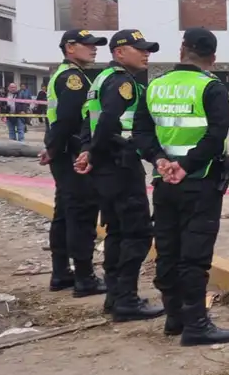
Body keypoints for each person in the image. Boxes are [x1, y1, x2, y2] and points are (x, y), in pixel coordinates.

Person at [134, 28, 229, 346]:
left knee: (167, 249)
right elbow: (216, 135)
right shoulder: (211, 88)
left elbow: (141, 132)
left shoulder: (155, 87)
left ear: (181, 51)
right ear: (213, 58)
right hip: (200, 183)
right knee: (194, 254)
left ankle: (174, 318)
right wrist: (187, 165)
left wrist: (159, 160)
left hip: (164, 183)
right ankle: (196, 325)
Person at [74, 29, 164, 322]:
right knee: (136, 233)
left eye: (147, 49)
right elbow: (110, 121)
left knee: (117, 232)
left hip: (107, 166)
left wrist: (89, 151)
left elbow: (92, 120)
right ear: (120, 52)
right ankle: (126, 300)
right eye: (140, 49)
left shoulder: (102, 79)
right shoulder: (123, 82)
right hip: (120, 165)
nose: (146, 53)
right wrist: (95, 153)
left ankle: (115, 297)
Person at [39, 29, 109, 297]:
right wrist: (57, 150)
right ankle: (84, 277)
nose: (93, 49)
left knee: (65, 213)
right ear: (70, 47)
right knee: (81, 214)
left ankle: (61, 273)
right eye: (87, 45)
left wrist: (51, 149)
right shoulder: (73, 79)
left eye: (95, 45)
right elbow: (69, 119)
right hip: (73, 154)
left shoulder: (63, 74)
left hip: (62, 152)